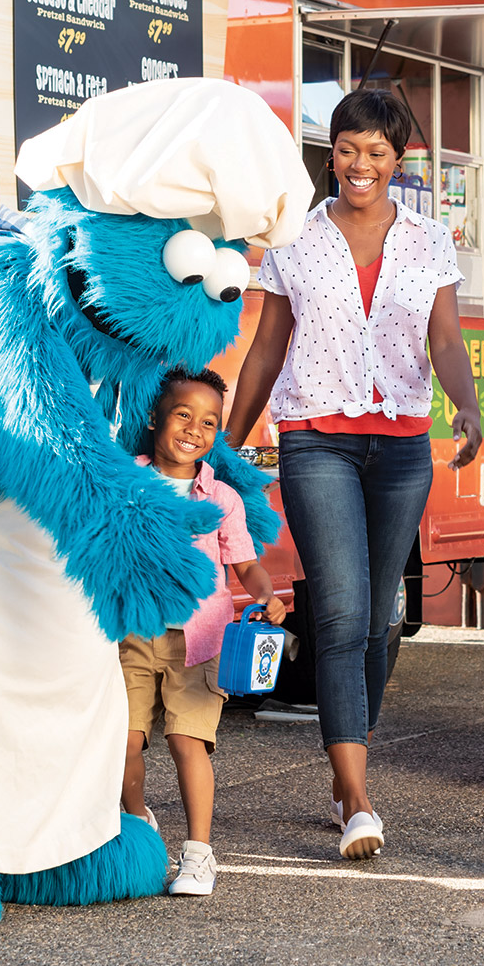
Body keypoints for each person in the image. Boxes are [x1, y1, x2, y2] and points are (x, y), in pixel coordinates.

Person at [225, 89, 483, 861]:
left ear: (397, 159)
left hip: (402, 445)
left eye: (375, 151)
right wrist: (230, 443)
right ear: (329, 151)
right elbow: (267, 348)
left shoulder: (431, 241)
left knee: (380, 614)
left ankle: (350, 755)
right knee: (337, 613)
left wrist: (465, 406)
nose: (359, 165)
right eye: (346, 149)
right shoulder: (292, 240)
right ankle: (357, 799)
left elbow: (444, 339)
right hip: (316, 442)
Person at [119, 369, 288, 895]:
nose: (195, 429)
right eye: (183, 415)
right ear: (154, 418)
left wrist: (266, 594)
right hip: (133, 634)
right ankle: (138, 822)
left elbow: (245, 563)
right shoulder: (129, 480)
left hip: (200, 641)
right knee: (120, 744)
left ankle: (198, 853)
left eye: (210, 422)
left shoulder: (220, 498)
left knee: (187, 741)